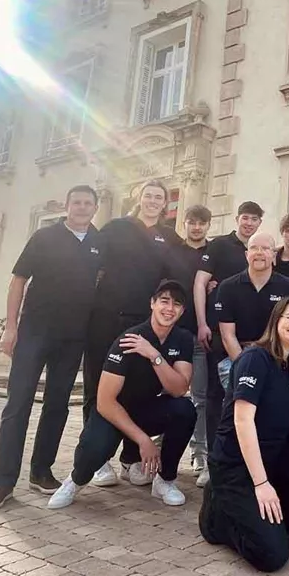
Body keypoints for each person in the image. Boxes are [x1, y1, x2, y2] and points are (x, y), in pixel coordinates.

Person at [0, 186, 103, 511]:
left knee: (57, 405)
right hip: (34, 332)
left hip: (72, 338)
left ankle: (41, 472)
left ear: (95, 208)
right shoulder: (44, 237)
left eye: (87, 203)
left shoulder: (98, 243)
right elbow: (18, 280)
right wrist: (10, 326)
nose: (81, 207)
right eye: (76, 202)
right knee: (18, 404)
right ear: (67, 206)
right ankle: (2, 482)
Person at [199, 298, 289, 573]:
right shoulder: (255, 358)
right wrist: (262, 483)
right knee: (273, 556)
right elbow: (243, 421)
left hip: (272, 459)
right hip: (235, 467)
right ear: (276, 321)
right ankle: (218, 518)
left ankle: (279, 518)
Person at [48, 280, 198, 509]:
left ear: (182, 311)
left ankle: (165, 480)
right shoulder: (128, 339)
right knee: (94, 449)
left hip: (147, 409)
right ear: (152, 303)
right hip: (114, 412)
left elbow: (179, 389)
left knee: (185, 410)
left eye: (176, 304)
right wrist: (143, 440)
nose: (169, 309)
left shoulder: (183, 339)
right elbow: (105, 402)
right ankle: (75, 481)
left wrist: (154, 355)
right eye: (164, 301)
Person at [82, 179, 182, 487]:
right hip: (106, 319)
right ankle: (95, 460)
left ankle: (130, 458)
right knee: (97, 386)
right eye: (148, 196)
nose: (153, 201)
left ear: (165, 204)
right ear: (139, 198)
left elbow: (182, 271)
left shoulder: (168, 236)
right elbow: (89, 264)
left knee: (137, 391)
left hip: (144, 324)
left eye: (158, 197)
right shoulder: (116, 228)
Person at [194, 201, 264, 480]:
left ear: (260, 223)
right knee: (215, 398)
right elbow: (200, 282)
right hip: (219, 334)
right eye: (245, 218)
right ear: (237, 219)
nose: (249, 223)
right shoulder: (221, 246)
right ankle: (211, 462)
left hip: (253, 342)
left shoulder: (261, 248)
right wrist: (201, 322)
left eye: (254, 219)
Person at [168, 204, 213, 488]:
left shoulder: (214, 253)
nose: (196, 227)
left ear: (208, 225)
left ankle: (200, 454)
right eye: (192, 222)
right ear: (185, 224)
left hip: (199, 336)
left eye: (201, 223)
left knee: (200, 397)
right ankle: (160, 451)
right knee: (165, 392)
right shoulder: (172, 251)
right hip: (173, 334)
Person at [216, 233, 289, 363]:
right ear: (246, 255)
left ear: (273, 255)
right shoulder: (228, 287)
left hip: (276, 356)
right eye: (254, 248)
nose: (259, 253)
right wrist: (244, 366)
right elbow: (228, 336)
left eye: (265, 248)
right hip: (236, 357)